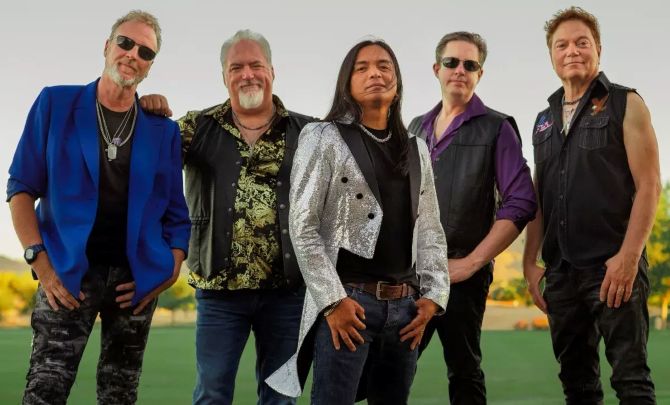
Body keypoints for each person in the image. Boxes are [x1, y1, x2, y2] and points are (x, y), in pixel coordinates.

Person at [7, 10, 190, 404]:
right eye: (125, 42)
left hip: (134, 282)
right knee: (44, 391)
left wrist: (169, 270)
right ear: (107, 46)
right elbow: (20, 188)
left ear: (149, 66)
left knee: (119, 396)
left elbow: (177, 215)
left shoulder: (162, 129)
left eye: (145, 52)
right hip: (67, 276)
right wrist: (40, 263)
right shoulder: (55, 103)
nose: (133, 54)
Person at [266, 38, 450, 405]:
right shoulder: (322, 137)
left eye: (384, 66)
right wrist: (333, 302)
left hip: (406, 311)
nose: (374, 74)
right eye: (362, 68)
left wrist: (434, 297)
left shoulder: (416, 147)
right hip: (350, 305)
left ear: (397, 80)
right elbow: (302, 226)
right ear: (346, 83)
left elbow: (430, 229)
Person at [141, 30, 313, 404]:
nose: (247, 74)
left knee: (281, 397)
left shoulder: (309, 132)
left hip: (288, 294)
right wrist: (147, 111)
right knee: (212, 393)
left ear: (272, 71)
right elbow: (142, 157)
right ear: (224, 76)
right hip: (218, 292)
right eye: (236, 67)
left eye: (256, 65)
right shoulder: (194, 128)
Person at [523, 7, 660, 404]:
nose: (572, 51)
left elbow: (649, 185)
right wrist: (531, 262)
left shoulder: (625, 103)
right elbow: (539, 198)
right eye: (561, 45)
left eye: (582, 42)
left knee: (631, 382)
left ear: (598, 48)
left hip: (613, 266)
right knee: (577, 385)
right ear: (551, 55)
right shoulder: (543, 120)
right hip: (561, 273)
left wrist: (628, 258)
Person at [407, 32, 536, 404]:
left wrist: (472, 263)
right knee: (392, 367)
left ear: (480, 73)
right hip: (411, 275)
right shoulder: (415, 128)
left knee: (463, 371)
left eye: (470, 64)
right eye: (451, 62)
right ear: (437, 69)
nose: (460, 70)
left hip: (462, 277)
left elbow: (521, 201)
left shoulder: (497, 128)